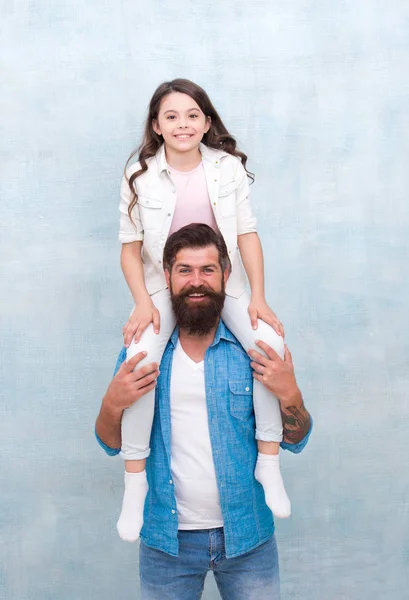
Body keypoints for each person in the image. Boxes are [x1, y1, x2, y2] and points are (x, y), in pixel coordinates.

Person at [96, 224, 312, 600]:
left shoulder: (253, 350)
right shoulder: (145, 351)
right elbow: (109, 442)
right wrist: (112, 401)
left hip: (248, 540)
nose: (196, 282)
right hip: (167, 546)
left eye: (208, 270)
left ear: (226, 275)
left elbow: (297, 438)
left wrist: (290, 392)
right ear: (167, 277)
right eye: (185, 270)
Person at [118, 78, 289, 542]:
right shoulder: (140, 173)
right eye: (171, 116)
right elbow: (129, 247)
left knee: (269, 344)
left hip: (220, 280)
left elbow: (247, 233)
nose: (183, 124)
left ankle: (269, 462)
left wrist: (257, 295)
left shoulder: (226, 167)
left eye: (193, 115)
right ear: (156, 124)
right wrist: (141, 302)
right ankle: (135, 484)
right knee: (139, 358)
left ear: (207, 122)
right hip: (164, 284)